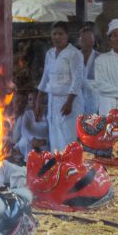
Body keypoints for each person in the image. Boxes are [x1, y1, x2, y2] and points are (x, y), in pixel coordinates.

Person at [37, 21, 84, 151]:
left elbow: (77, 79)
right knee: (55, 136)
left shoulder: (74, 53)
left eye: (60, 34)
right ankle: (57, 168)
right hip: (53, 102)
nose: (57, 37)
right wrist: (38, 100)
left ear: (67, 35)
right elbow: (45, 77)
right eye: (54, 34)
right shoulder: (50, 54)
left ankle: (70, 168)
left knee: (69, 136)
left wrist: (69, 102)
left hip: (70, 102)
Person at [78, 23, 101, 115]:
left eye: (89, 39)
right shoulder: (74, 58)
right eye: (83, 39)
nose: (86, 42)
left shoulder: (100, 58)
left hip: (94, 101)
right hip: (77, 100)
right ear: (79, 41)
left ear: (93, 41)